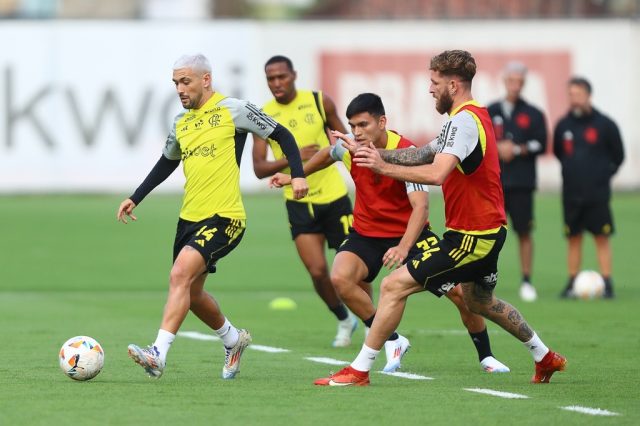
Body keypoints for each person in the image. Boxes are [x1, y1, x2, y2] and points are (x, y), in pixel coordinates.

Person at [314, 50, 566, 386]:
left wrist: (381, 166)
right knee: (479, 301)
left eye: (434, 83)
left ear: (453, 83)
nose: (430, 89)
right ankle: (544, 356)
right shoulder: (468, 117)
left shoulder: (463, 122)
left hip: (473, 237)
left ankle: (359, 370)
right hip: (482, 233)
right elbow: (423, 152)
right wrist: (374, 153)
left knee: (392, 286)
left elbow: (436, 173)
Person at [272, 93, 509, 374]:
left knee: (459, 294)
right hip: (366, 233)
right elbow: (327, 153)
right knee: (340, 278)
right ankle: (393, 340)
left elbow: (420, 208)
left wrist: (403, 248)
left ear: (382, 122)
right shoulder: (350, 147)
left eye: (363, 125)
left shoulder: (406, 152)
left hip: (411, 235)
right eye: (352, 126)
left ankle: (486, 356)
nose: (357, 132)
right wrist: (295, 175)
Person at [116, 54, 308, 379]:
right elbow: (167, 161)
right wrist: (136, 197)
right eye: (175, 82)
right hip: (189, 218)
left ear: (205, 80)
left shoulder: (233, 109)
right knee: (190, 294)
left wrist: (299, 174)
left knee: (179, 275)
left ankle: (158, 354)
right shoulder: (181, 122)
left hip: (225, 217)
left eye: (185, 81)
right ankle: (233, 340)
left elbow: (282, 136)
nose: (179, 88)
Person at [252, 55, 357, 347]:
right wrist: (293, 157)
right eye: (270, 79)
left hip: (335, 197)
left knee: (355, 270)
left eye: (281, 77)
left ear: (294, 75)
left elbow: (346, 140)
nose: (277, 84)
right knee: (317, 271)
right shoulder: (262, 115)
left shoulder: (319, 102)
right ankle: (344, 319)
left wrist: (330, 153)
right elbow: (259, 168)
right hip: (298, 202)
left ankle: (370, 323)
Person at [553, 77, 624, 299]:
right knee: (573, 237)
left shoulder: (605, 124)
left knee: (601, 237)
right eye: (571, 94)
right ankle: (572, 281)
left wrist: (603, 176)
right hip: (571, 194)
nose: (574, 98)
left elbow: (619, 155)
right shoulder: (563, 125)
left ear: (588, 95)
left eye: (577, 94)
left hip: (597, 194)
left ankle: (607, 282)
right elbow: (558, 152)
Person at [488, 62, 547, 302]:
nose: (514, 85)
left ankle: (526, 280)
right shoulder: (490, 110)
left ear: (523, 84)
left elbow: (541, 143)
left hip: (522, 183)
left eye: (519, 81)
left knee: (524, 231)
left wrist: (518, 149)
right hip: (495, 183)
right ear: (504, 81)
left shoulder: (533, 114)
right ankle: (486, 280)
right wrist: (497, 147)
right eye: (511, 80)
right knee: (490, 233)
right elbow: (480, 140)